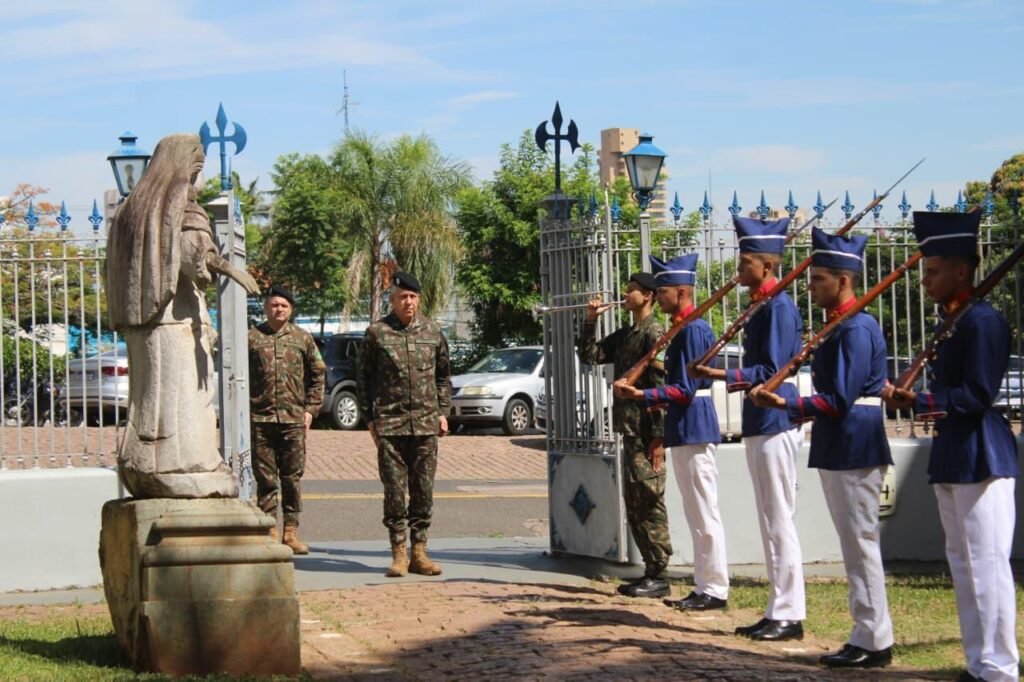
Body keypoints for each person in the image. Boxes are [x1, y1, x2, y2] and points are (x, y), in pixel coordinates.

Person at [882, 211, 1019, 682]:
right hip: (952, 454)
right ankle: (978, 662)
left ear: (962, 271)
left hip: (981, 454)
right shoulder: (954, 320)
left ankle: (1000, 668)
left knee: (987, 565)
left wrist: (919, 400)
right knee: (963, 565)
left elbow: (978, 395)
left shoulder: (982, 322)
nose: (924, 281)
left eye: (933, 270)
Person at [750, 227, 894, 669]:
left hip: (855, 441)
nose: (810, 287)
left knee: (861, 543)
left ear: (843, 281)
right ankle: (864, 632)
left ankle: (874, 638)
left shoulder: (856, 329)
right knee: (853, 544)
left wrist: (787, 403)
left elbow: (840, 399)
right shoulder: (839, 327)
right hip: (839, 442)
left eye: (818, 280)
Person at [689, 216, 806, 642]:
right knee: (769, 518)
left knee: (779, 518)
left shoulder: (778, 307)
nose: (738, 269)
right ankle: (777, 607)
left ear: (767, 266)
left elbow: (772, 370)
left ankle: (789, 612)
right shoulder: (761, 305)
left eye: (745, 262)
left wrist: (721, 373)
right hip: (760, 418)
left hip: (775, 417)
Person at [615, 253, 729, 612]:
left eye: (663, 292)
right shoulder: (683, 327)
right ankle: (704, 584)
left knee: (705, 512)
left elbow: (686, 389)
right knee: (696, 513)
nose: (659, 297)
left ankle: (715, 588)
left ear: (681, 292)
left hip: (694, 424)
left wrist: (642, 395)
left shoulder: (693, 330)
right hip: (684, 425)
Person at [576, 272, 671, 598]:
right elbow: (590, 355)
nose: (626, 294)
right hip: (630, 430)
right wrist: (590, 320)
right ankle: (651, 571)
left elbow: (660, 388)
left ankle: (660, 573)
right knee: (635, 502)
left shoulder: (654, 333)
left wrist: (659, 437)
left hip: (646, 432)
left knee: (649, 500)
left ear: (648, 296)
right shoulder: (629, 334)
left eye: (632, 290)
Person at [357, 271, 452, 578]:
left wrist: (442, 411)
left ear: (418, 299)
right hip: (390, 424)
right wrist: (370, 419)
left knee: (423, 490)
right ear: (392, 300)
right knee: (395, 491)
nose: (408, 302)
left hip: (425, 424)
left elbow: (443, 376)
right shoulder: (377, 333)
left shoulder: (433, 332)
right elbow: (363, 379)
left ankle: (420, 552)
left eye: (412, 297)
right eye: (402, 297)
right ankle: (399, 552)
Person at [248, 284, 326, 555]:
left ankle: (291, 531)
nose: (278, 309)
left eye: (283, 305)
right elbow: (238, 374)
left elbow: (318, 373)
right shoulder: (252, 338)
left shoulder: (302, 338)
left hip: (293, 420)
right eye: (274, 305)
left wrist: (311, 408)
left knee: (292, 478)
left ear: (291, 309)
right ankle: (269, 529)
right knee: (265, 479)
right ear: (266, 307)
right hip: (261, 419)